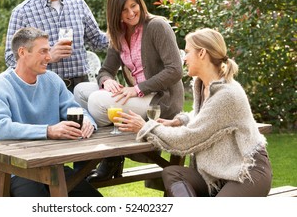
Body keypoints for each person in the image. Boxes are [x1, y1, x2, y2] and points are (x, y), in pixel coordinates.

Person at [116, 28, 273, 197]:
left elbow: (186, 140)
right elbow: (204, 115)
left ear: (202, 53)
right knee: (172, 173)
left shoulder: (227, 95)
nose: (184, 58)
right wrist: (179, 120)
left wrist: (146, 126)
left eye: (188, 52)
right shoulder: (203, 85)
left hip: (247, 172)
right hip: (219, 174)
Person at [74, 0, 184, 182]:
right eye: (124, 10)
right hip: (134, 94)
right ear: (115, 13)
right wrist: (107, 81)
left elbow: (175, 70)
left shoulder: (157, 26)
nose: (131, 13)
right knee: (81, 90)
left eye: (134, 6)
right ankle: (112, 155)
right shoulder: (118, 34)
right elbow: (106, 70)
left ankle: (109, 157)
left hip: (159, 99)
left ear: (140, 4)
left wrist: (138, 89)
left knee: (97, 101)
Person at [0, 26, 102, 197]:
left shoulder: (52, 80)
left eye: (48, 50)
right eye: (43, 51)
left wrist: (87, 122)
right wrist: (48, 131)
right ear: (23, 52)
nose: (49, 57)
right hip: (18, 170)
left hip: (54, 166)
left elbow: (75, 109)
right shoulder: (1, 84)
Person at [5, 0, 108, 93]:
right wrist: (46, 57)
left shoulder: (78, 4)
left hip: (81, 88)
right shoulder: (22, 13)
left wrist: (120, 29)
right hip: (43, 89)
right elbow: (11, 58)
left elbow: (98, 41)